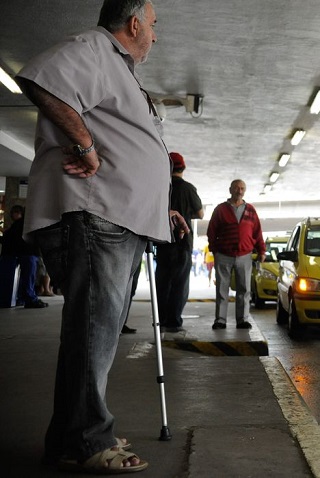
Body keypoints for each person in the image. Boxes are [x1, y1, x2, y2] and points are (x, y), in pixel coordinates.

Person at [15, 0, 189, 473]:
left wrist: (160, 204)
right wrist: (86, 145)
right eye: (153, 25)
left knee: (94, 333)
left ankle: (71, 437)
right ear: (133, 23)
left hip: (117, 216)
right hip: (96, 214)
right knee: (94, 332)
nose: (156, 35)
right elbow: (38, 79)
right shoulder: (94, 47)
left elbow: (127, 145)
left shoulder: (118, 68)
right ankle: (88, 440)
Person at [155, 152, 204, 333]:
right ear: (183, 168)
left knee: (162, 283)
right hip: (183, 243)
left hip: (163, 241)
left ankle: (161, 320)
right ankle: (174, 321)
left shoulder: (161, 187)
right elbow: (200, 214)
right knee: (179, 284)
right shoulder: (188, 189)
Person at [206, 180, 266, 330]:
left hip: (245, 255)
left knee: (244, 289)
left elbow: (257, 232)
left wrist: (261, 251)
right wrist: (215, 250)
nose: (239, 191)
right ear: (230, 190)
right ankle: (220, 320)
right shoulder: (221, 209)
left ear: (245, 191)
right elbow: (211, 231)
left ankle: (242, 319)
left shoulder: (250, 210)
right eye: (237, 188)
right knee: (222, 288)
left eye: (242, 188)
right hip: (223, 255)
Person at [0, 205, 48, 308]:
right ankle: (29, 298)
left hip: (17, 253)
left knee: (24, 277)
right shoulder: (28, 224)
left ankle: (22, 298)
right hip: (27, 252)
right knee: (28, 276)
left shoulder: (18, 224)